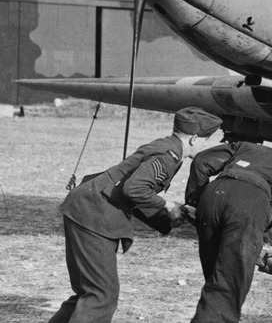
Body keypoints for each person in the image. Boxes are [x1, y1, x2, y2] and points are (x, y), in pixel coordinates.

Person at [49, 107, 223, 323]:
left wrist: (170, 214)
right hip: (95, 215)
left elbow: (132, 191)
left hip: (86, 208)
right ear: (195, 138)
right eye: (206, 141)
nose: (206, 146)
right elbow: (133, 189)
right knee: (101, 296)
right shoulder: (168, 157)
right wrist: (167, 205)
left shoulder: (165, 146)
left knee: (88, 292)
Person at [185, 129, 272, 323]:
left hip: (213, 197)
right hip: (246, 206)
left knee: (216, 280)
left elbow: (201, 161)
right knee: (228, 287)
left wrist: (193, 201)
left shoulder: (246, 147)